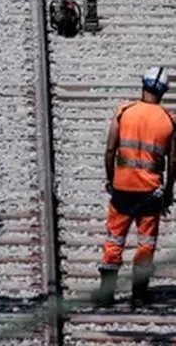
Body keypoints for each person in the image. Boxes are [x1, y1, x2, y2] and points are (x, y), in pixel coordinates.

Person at [93, 67, 176, 307]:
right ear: (163, 92)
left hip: (122, 189)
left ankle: (106, 294)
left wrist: (111, 179)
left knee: (114, 239)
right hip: (151, 192)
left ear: (144, 85)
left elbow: (110, 150)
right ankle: (139, 295)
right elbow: (174, 160)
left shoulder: (124, 112)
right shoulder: (169, 120)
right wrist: (169, 190)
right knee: (146, 243)